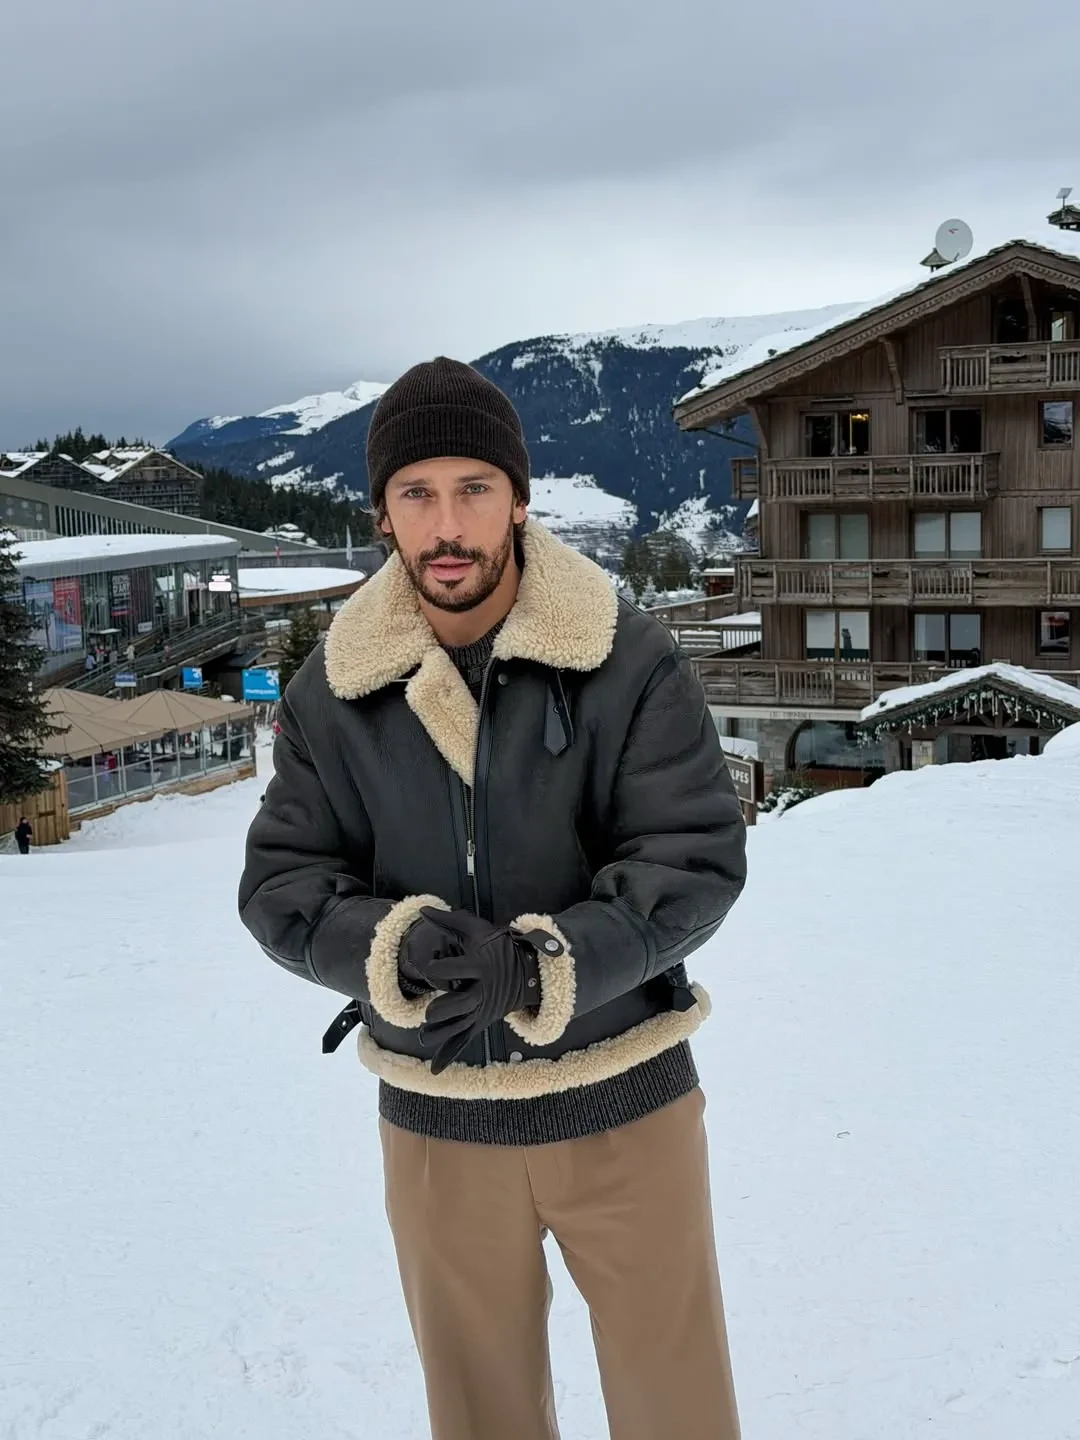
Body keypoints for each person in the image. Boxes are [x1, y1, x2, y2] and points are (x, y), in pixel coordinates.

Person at [238, 357, 748, 1440]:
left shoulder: (627, 658)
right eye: (417, 494)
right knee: (479, 1419)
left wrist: (543, 964)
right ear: (382, 515)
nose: (447, 525)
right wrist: (388, 948)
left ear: (519, 498)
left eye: (473, 489)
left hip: (625, 1101)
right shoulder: (334, 689)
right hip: (439, 1125)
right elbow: (283, 885)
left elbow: (692, 857)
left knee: (680, 1412)